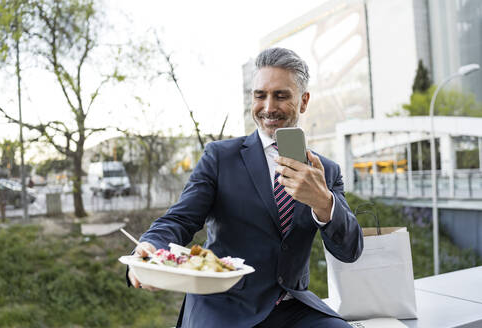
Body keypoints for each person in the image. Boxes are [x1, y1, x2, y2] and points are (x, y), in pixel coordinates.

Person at [127, 47, 363, 328]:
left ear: (304, 101)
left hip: (292, 308)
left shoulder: (326, 172)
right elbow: (180, 218)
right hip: (223, 305)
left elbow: (350, 251)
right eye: (260, 95)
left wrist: (323, 203)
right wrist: (149, 247)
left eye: (281, 95)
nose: (268, 107)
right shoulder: (219, 157)